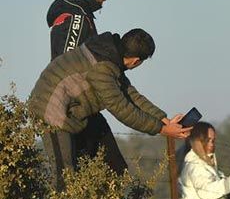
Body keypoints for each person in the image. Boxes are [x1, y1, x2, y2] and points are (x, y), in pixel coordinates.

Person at [28, 28, 190, 187]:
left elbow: (130, 95)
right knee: (64, 178)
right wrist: (161, 130)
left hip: (71, 112)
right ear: (136, 61)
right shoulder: (103, 68)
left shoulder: (109, 56)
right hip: (50, 111)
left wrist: (164, 120)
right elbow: (122, 108)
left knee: (108, 169)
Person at [45, 0, 127, 174]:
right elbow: (65, 63)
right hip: (71, 110)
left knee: (114, 170)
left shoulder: (81, 12)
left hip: (81, 107)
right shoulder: (76, 17)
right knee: (98, 173)